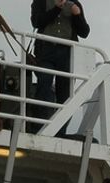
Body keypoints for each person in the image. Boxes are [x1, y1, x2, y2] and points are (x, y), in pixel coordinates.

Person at [30, 0, 89, 128]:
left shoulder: (75, 3)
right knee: (44, 84)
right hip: (46, 50)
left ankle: (60, 130)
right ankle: (38, 126)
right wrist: (56, 9)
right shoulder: (40, 2)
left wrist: (77, 14)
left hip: (67, 53)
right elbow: (36, 21)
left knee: (65, 94)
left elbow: (84, 32)